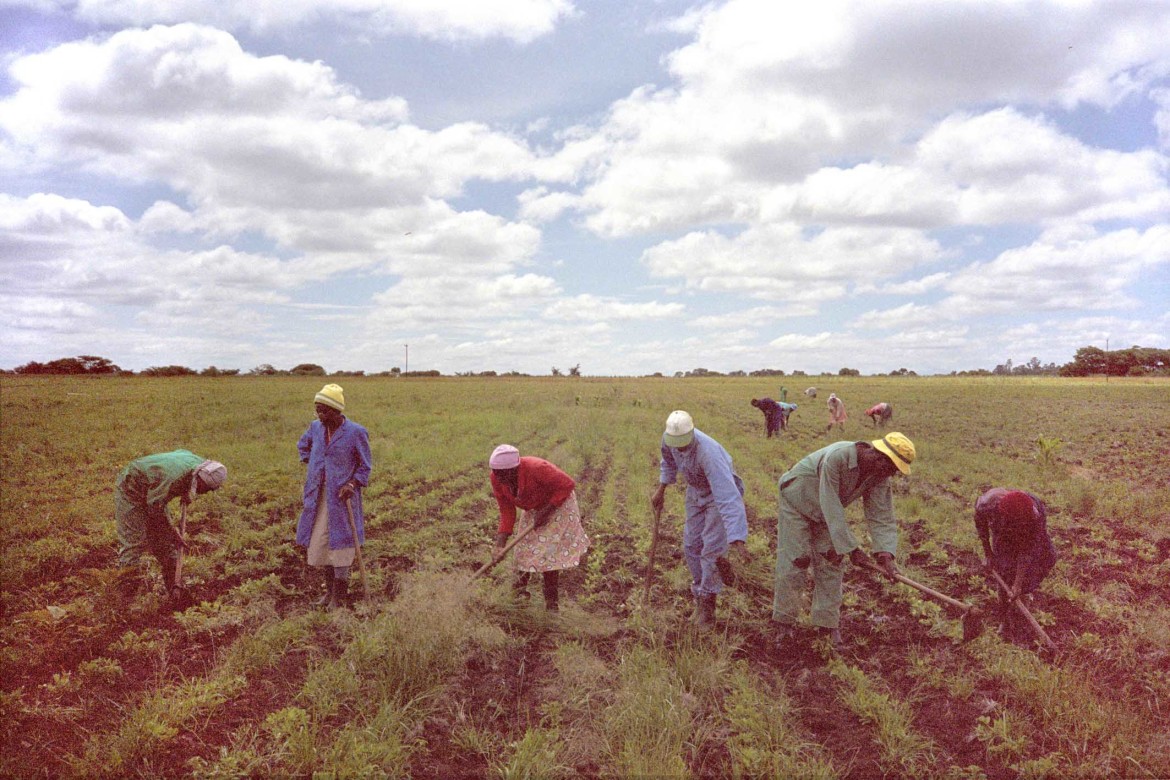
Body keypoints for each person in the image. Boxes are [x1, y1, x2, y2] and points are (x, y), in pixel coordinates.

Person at [772, 432, 916, 647]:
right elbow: (830, 503)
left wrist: (885, 554)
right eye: (892, 469)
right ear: (878, 456)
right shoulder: (837, 457)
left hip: (826, 513)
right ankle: (784, 624)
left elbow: (881, 515)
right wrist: (853, 549)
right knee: (796, 560)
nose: (891, 475)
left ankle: (827, 625)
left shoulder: (879, 475)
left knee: (832, 562)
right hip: (797, 501)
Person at [651, 410, 749, 629]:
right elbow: (667, 461)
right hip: (695, 492)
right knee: (691, 544)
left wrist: (736, 537)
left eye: (683, 445)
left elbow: (728, 497)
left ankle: (708, 606)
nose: (680, 449)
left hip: (717, 496)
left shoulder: (709, 454)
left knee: (711, 549)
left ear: (692, 434)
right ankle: (699, 596)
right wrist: (661, 489)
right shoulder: (670, 440)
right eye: (676, 445)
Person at [114, 450, 227, 600]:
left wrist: (187, 491)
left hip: (154, 490)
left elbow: (184, 474)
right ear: (199, 478)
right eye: (203, 489)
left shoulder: (201, 465)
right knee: (134, 543)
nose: (203, 493)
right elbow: (155, 510)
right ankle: (125, 597)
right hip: (132, 489)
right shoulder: (172, 479)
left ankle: (175, 593)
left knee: (167, 546)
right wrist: (172, 532)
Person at [296, 384, 372, 610]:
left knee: (341, 547)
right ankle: (328, 593)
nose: (320, 415)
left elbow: (365, 467)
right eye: (317, 410)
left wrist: (351, 483)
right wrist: (317, 467)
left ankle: (339, 597)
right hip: (319, 498)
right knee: (321, 545)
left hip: (342, 500)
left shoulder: (356, 432)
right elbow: (303, 447)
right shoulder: (315, 428)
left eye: (325, 411)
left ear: (337, 410)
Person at [490, 445, 590, 612]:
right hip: (535, 506)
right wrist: (500, 545)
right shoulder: (497, 478)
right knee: (522, 552)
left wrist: (546, 511)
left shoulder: (537, 468)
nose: (498, 478)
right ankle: (517, 600)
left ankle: (552, 606)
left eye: (502, 474)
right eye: (495, 473)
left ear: (514, 469)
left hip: (558, 504)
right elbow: (506, 510)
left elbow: (567, 484)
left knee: (547, 555)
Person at [974, 489, 1057, 640]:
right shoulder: (988, 504)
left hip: (1033, 543)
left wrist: (1018, 584)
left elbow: (1027, 551)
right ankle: (1005, 619)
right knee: (1004, 571)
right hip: (1004, 537)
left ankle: (1019, 616)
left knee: (1039, 566)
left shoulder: (1034, 515)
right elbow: (981, 523)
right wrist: (988, 554)